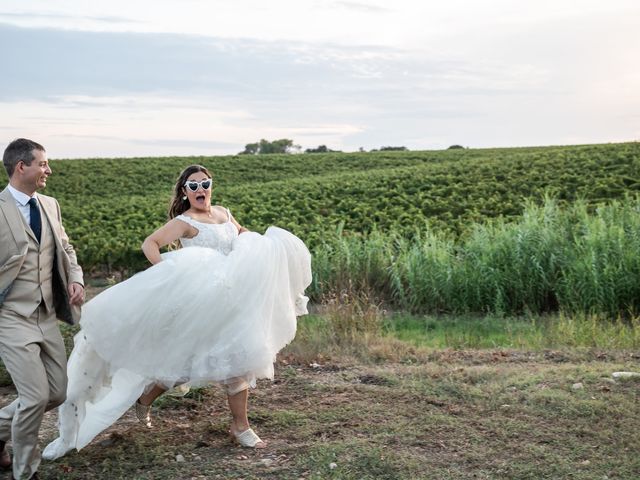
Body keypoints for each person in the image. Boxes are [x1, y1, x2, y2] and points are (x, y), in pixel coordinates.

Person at [43, 164, 311, 459]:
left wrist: (260, 245)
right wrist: (169, 272)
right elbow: (151, 244)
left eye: (204, 184)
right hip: (199, 301)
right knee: (183, 363)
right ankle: (145, 399)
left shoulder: (224, 213)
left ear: (211, 186)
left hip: (230, 300)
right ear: (184, 192)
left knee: (238, 361)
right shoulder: (185, 221)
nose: (200, 190)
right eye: (193, 186)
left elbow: (243, 235)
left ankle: (240, 427)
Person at [0, 138, 85, 479]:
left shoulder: (50, 204)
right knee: (34, 397)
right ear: (22, 167)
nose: (48, 170)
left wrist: (76, 278)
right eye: (43, 164)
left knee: (57, 392)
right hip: (11, 316)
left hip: (47, 313)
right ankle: (25, 471)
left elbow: (66, 247)